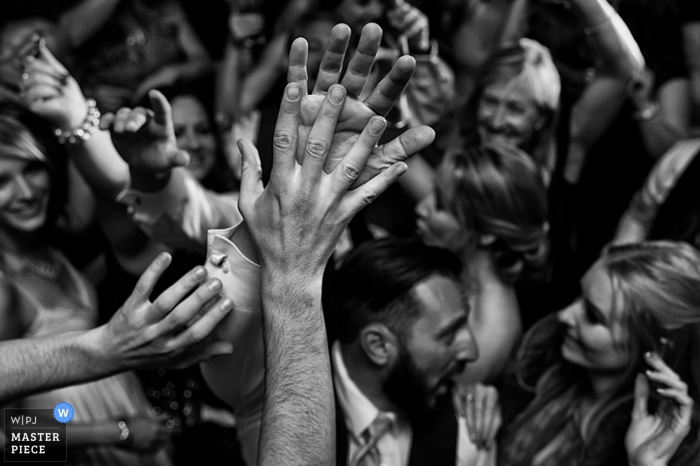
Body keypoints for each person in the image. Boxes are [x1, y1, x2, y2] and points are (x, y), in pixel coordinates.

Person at [498, 241, 699, 466]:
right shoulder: (544, 365)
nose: (565, 315)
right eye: (578, 296)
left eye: (593, 316)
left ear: (653, 345)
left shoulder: (664, 441)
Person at [325, 238, 497, 466]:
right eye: (449, 334)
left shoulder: (467, 436)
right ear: (378, 346)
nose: (472, 351)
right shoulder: (279, 410)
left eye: (466, 323)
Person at [415, 144, 548, 384]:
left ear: (486, 234)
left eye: (441, 205)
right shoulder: (454, 269)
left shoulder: (489, 333)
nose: (421, 208)